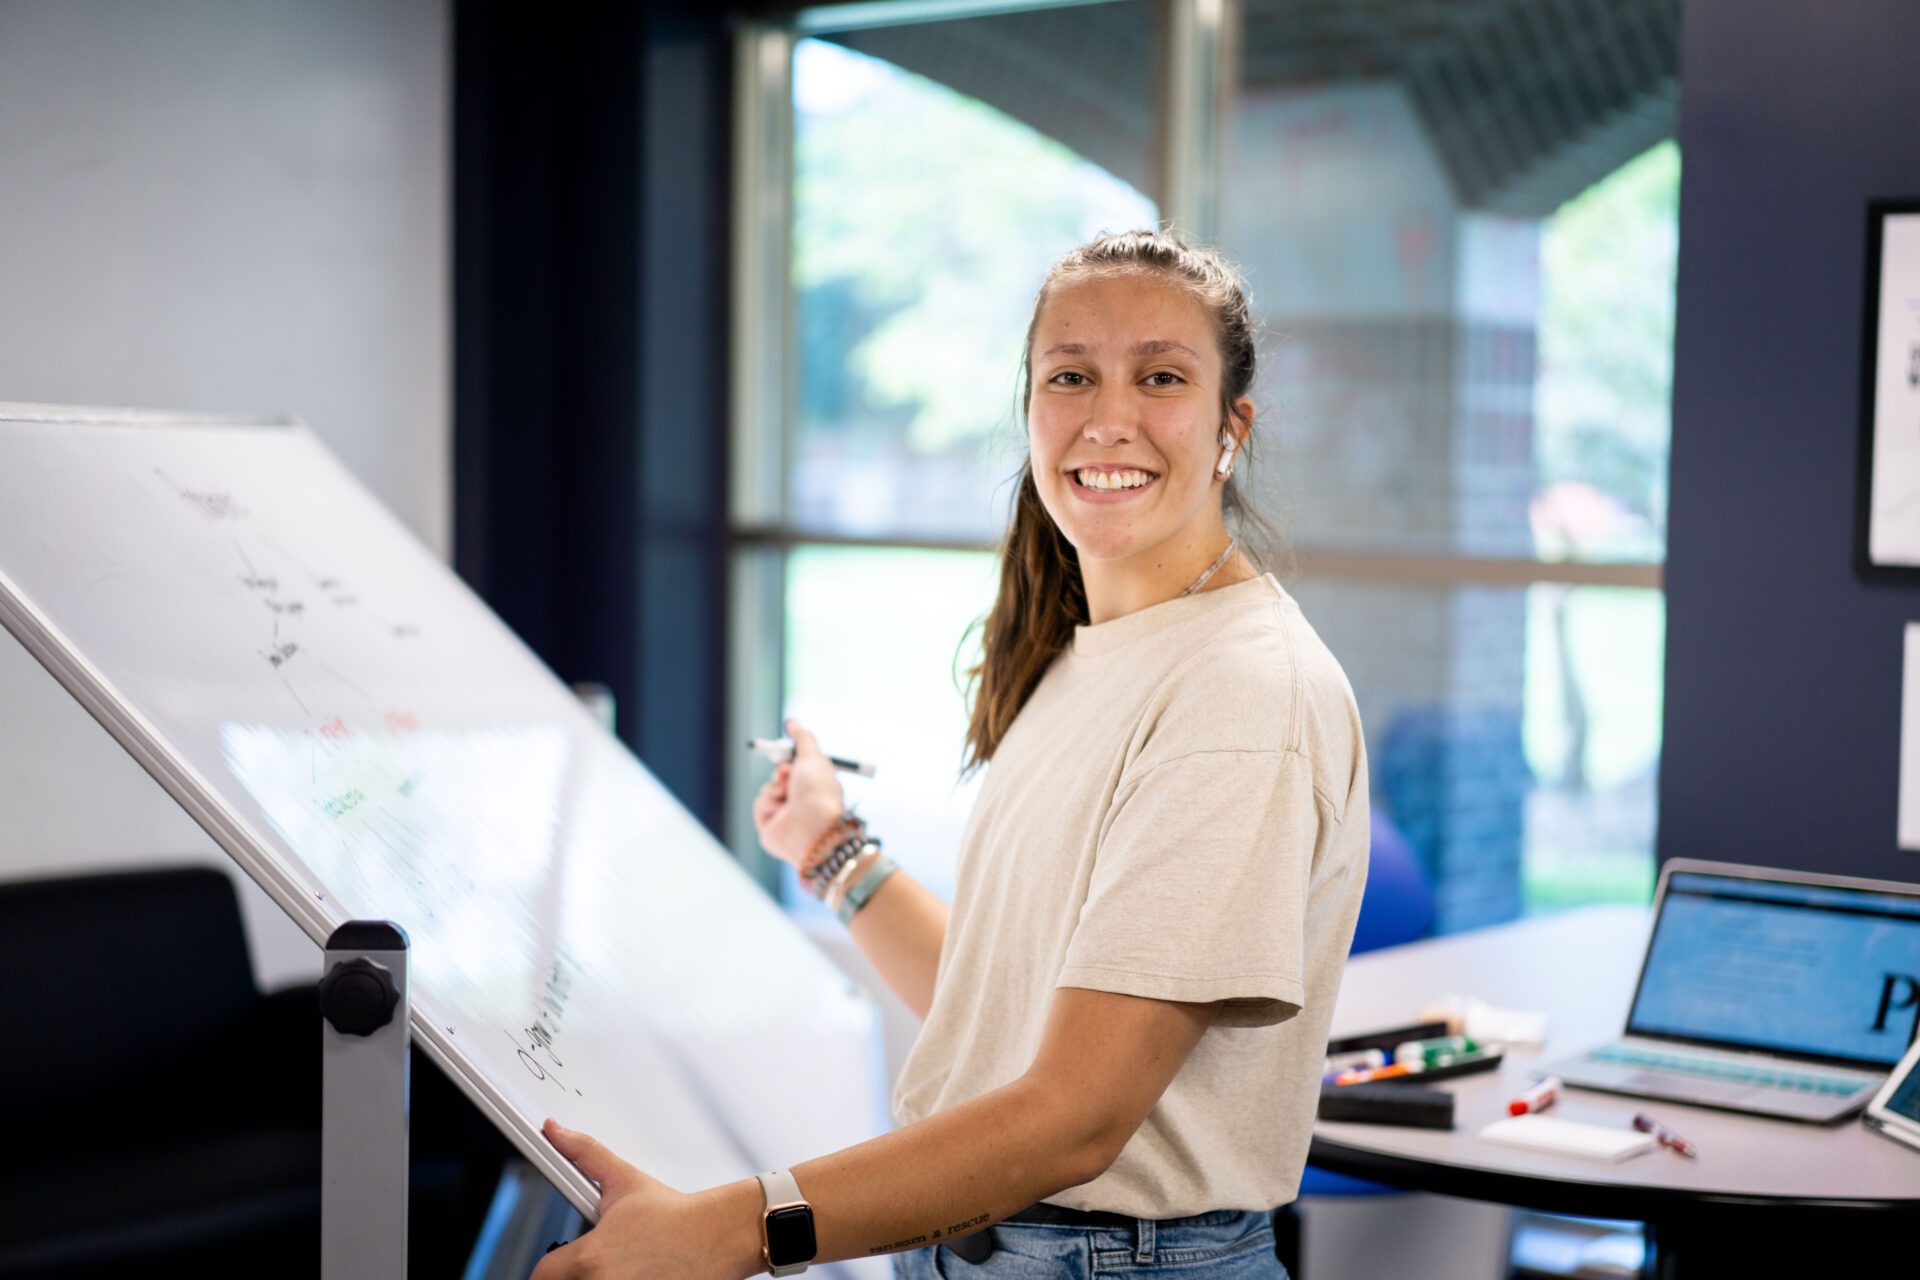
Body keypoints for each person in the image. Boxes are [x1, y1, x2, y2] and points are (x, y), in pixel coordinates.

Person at [532, 230, 1369, 1280]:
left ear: (1229, 427)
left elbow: (1075, 1116)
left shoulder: (1241, 689)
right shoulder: (1091, 654)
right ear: (1030, 408)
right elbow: (1003, 998)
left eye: (1161, 376)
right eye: (1071, 375)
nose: (1110, 417)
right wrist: (833, 848)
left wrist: (729, 1229)